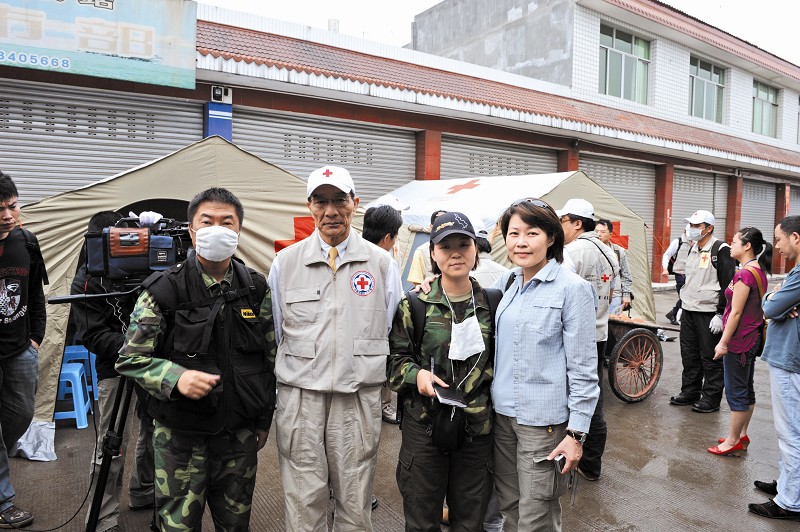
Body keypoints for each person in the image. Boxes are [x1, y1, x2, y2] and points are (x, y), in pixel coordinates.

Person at [116, 188, 276, 531]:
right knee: (177, 526)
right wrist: (175, 376)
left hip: (238, 438)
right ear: (192, 229)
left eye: (226, 222)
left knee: (235, 525)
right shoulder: (164, 289)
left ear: (239, 230)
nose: (217, 228)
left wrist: (264, 420)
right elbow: (130, 359)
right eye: (207, 221)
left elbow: (269, 360)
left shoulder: (255, 288)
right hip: (179, 440)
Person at [269, 166, 402, 532]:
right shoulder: (286, 263)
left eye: (339, 200)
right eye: (321, 201)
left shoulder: (381, 264)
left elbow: (393, 327)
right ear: (309, 206)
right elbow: (276, 330)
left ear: (355, 204)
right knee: (302, 495)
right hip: (301, 399)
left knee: (356, 496)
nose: (331, 211)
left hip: (357, 397)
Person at [492, 198, 599, 531]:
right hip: (502, 418)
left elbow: (584, 368)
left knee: (536, 514)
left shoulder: (572, 289)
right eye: (514, 233)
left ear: (551, 237)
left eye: (532, 232)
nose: (521, 242)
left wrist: (576, 434)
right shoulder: (508, 283)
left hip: (543, 425)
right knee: (509, 507)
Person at [388, 211, 495, 531]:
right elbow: (393, 361)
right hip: (425, 428)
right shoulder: (414, 304)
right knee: (422, 519)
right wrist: (417, 375)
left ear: (476, 250)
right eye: (446, 246)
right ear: (432, 253)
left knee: (469, 521)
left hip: (477, 430)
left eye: (464, 244)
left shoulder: (492, 302)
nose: (456, 253)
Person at [72, 211, 157, 532]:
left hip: (153, 362)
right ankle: (103, 517)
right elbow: (93, 335)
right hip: (114, 366)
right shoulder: (87, 278)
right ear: (96, 243)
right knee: (112, 442)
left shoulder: (148, 264)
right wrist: (137, 346)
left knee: (155, 432)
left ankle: (143, 491)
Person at [557, 198, 618, 482]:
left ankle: (577, 456)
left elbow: (562, 294)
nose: (559, 227)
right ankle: (593, 463)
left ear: (577, 223)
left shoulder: (572, 252)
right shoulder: (609, 251)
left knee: (577, 397)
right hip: (600, 331)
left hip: (576, 336)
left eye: (563, 221)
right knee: (595, 396)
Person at [0, 172, 46, 529]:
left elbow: (35, 296)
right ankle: (4, 503)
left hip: (20, 350)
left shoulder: (27, 242)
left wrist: (36, 339)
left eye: (12, 206)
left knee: (22, 413)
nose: (8, 215)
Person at [748, 216, 800, 522]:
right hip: (789, 357)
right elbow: (775, 304)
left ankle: (790, 501)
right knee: (791, 430)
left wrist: (773, 300)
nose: (775, 246)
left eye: (779, 239)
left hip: (791, 360)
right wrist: (776, 299)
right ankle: (787, 484)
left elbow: (769, 309)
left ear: (796, 237)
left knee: (790, 432)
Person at [709, 227, 771, 455]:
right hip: (749, 338)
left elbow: (735, 312)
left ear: (747, 246)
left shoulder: (744, 274)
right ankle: (741, 433)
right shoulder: (756, 270)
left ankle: (733, 440)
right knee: (746, 388)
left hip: (740, 341)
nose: (731, 245)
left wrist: (723, 343)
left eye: (735, 241)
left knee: (736, 390)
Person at [669, 210, 735, 414]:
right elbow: (689, 281)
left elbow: (728, 284)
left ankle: (711, 398)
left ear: (709, 228)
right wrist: (682, 306)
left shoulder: (720, 249)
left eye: (697, 226)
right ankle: (690, 392)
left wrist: (720, 313)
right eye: (691, 225)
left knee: (710, 357)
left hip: (708, 312)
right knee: (689, 355)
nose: (692, 229)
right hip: (689, 310)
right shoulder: (693, 248)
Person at [362, 203, 404, 429]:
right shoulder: (386, 261)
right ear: (388, 237)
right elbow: (395, 304)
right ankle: (384, 405)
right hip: (377, 338)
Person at [595, 219, 633, 315]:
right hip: (594, 295)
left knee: (612, 325)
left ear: (610, 234)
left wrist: (626, 295)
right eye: (596, 231)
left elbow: (626, 275)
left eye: (603, 232)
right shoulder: (589, 250)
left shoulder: (618, 252)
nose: (599, 234)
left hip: (615, 296)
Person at [407, 210, 447, 286]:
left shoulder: (456, 250)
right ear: (431, 227)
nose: (442, 229)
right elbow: (417, 282)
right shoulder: (421, 251)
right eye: (439, 226)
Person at [662, 225, 692, 325]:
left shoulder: (697, 242)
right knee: (684, 296)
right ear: (684, 231)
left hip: (692, 274)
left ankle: (674, 313)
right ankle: (675, 314)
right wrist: (665, 269)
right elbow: (667, 255)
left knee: (688, 297)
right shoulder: (677, 242)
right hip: (680, 273)